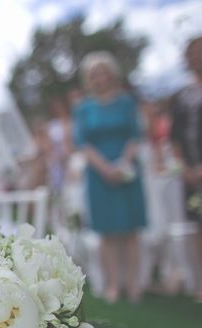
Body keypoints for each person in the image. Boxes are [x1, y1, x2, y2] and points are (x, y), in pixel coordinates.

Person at [73, 51, 147, 303]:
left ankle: (134, 284)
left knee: (130, 230)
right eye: (94, 74)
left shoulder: (126, 102)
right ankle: (113, 284)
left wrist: (123, 163)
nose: (99, 77)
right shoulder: (83, 108)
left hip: (127, 170)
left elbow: (135, 135)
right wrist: (105, 168)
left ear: (112, 74)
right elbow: (83, 142)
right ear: (88, 79)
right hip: (98, 174)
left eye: (103, 72)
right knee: (107, 232)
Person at [170, 35, 202, 301]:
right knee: (197, 226)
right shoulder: (182, 96)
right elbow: (176, 137)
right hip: (191, 176)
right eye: (192, 53)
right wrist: (185, 168)